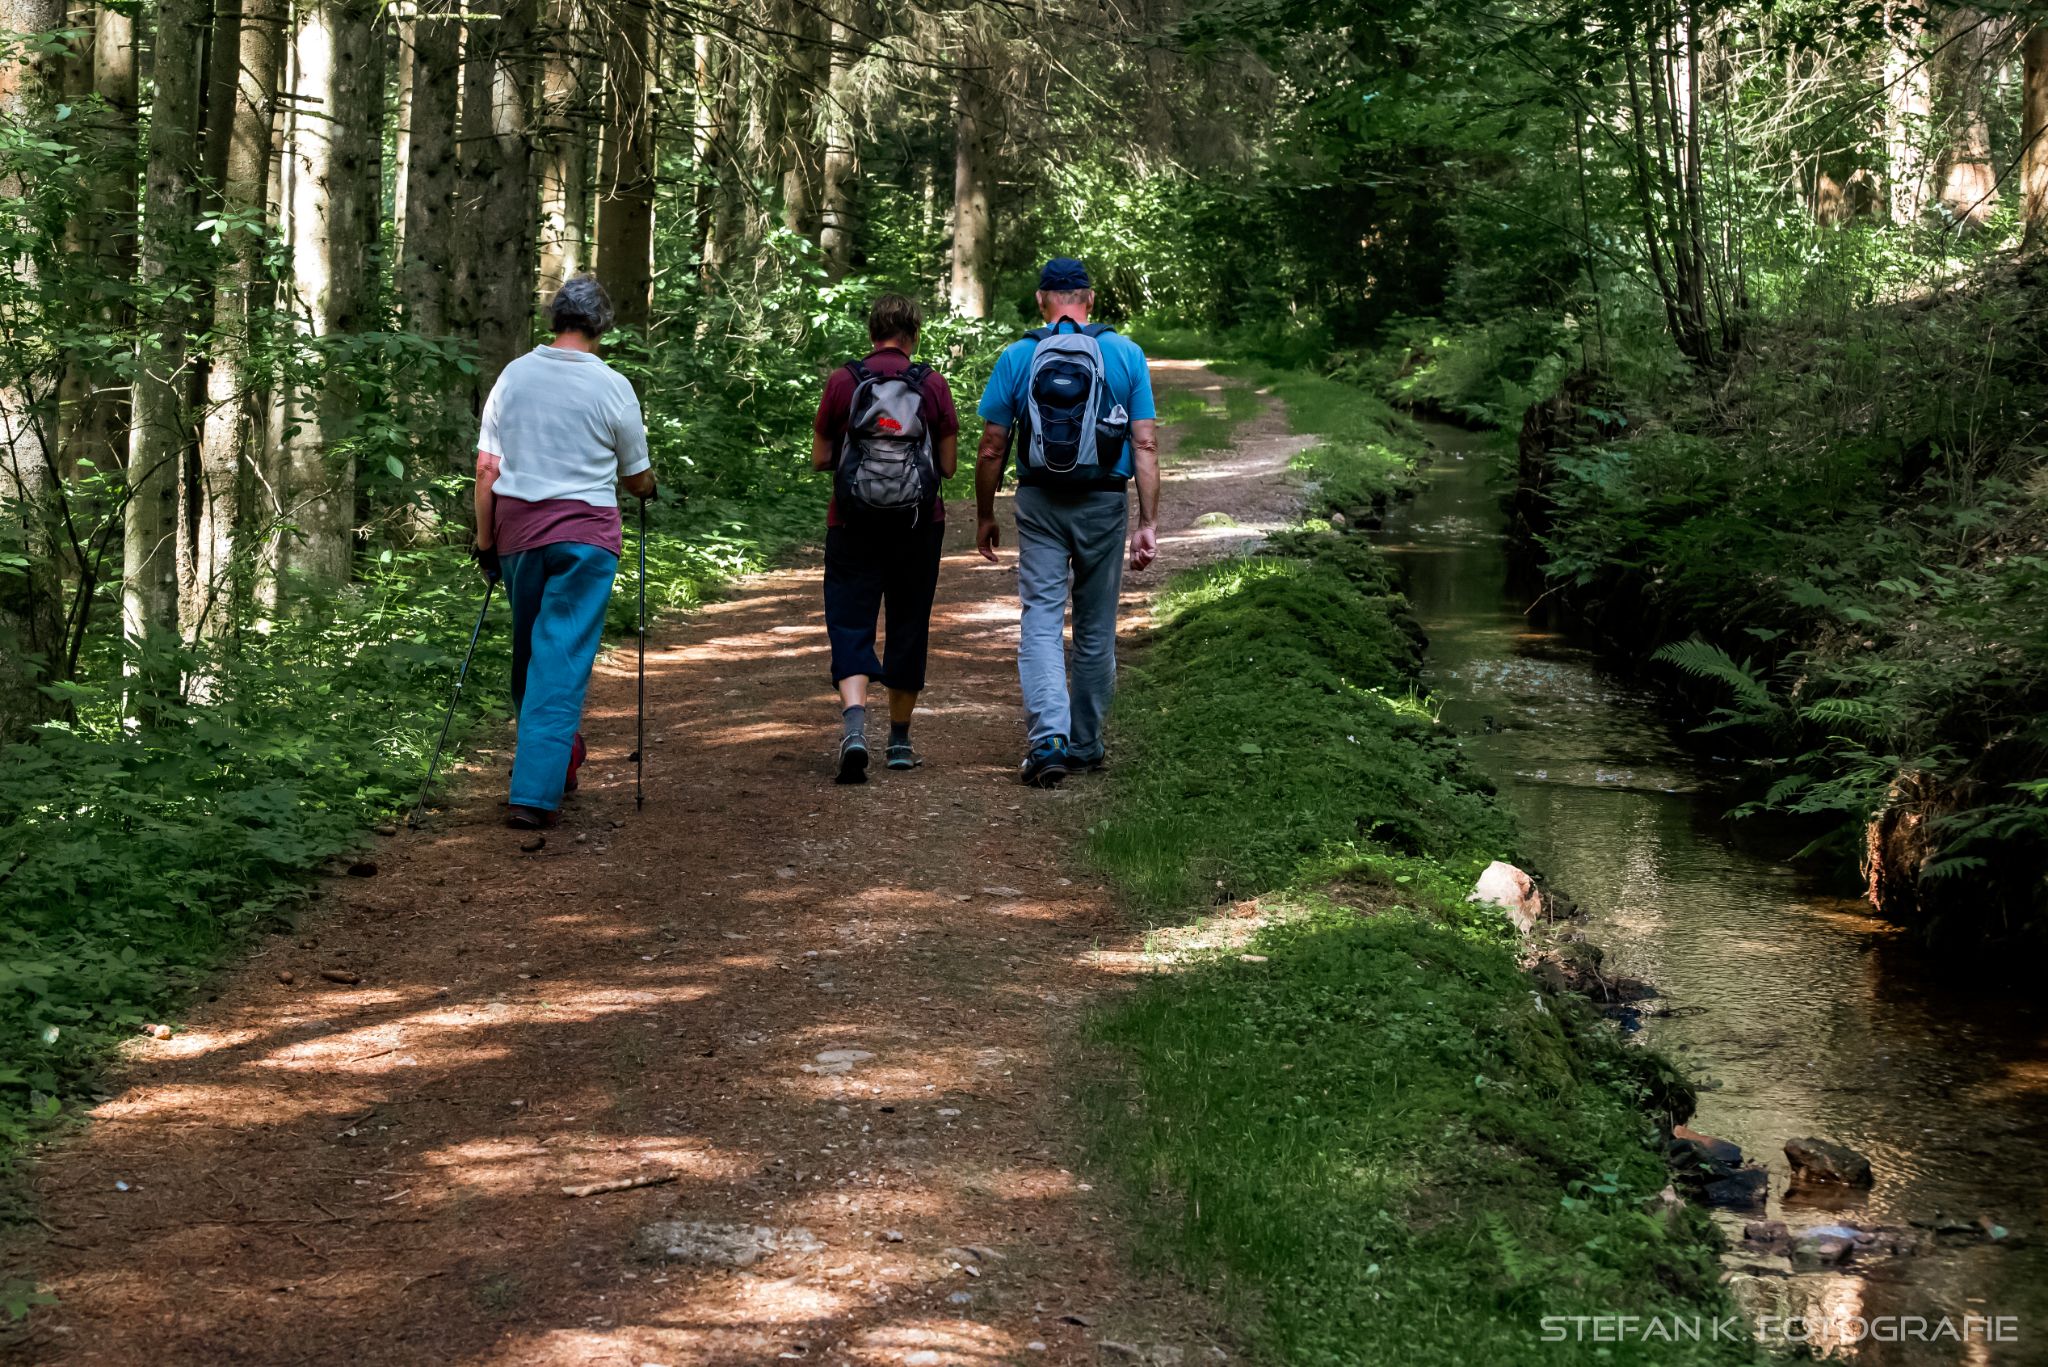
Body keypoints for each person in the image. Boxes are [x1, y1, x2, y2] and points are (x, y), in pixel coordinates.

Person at [471, 274, 656, 829]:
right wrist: (649, 490)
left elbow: (487, 469)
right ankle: (533, 792)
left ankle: (558, 760)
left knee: (532, 653)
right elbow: (636, 476)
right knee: (559, 658)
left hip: (518, 535)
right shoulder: (612, 386)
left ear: (555, 320)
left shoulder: (513, 376)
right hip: (585, 539)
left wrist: (484, 542)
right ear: (602, 326)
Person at [974, 258, 1159, 788]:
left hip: (1039, 502)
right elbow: (1143, 442)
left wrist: (986, 513)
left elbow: (991, 447)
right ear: (1091, 299)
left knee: (1041, 620)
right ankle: (1085, 744)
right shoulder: (1125, 354)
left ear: (1041, 301)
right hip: (1104, 500)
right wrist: (1146, 522)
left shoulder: (1018, 355)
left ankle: (1048, 740)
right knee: (1096, 627)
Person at [811, 293, 960, 783]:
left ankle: (855, 728)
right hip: (918, 525)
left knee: (850, 622)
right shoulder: (932, 384)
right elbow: (949, 466)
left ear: (871, 331)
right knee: (909, 623)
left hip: (852, 523)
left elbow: (820, 457)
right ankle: (898, 740)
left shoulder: (843, 380)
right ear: (913, 334)